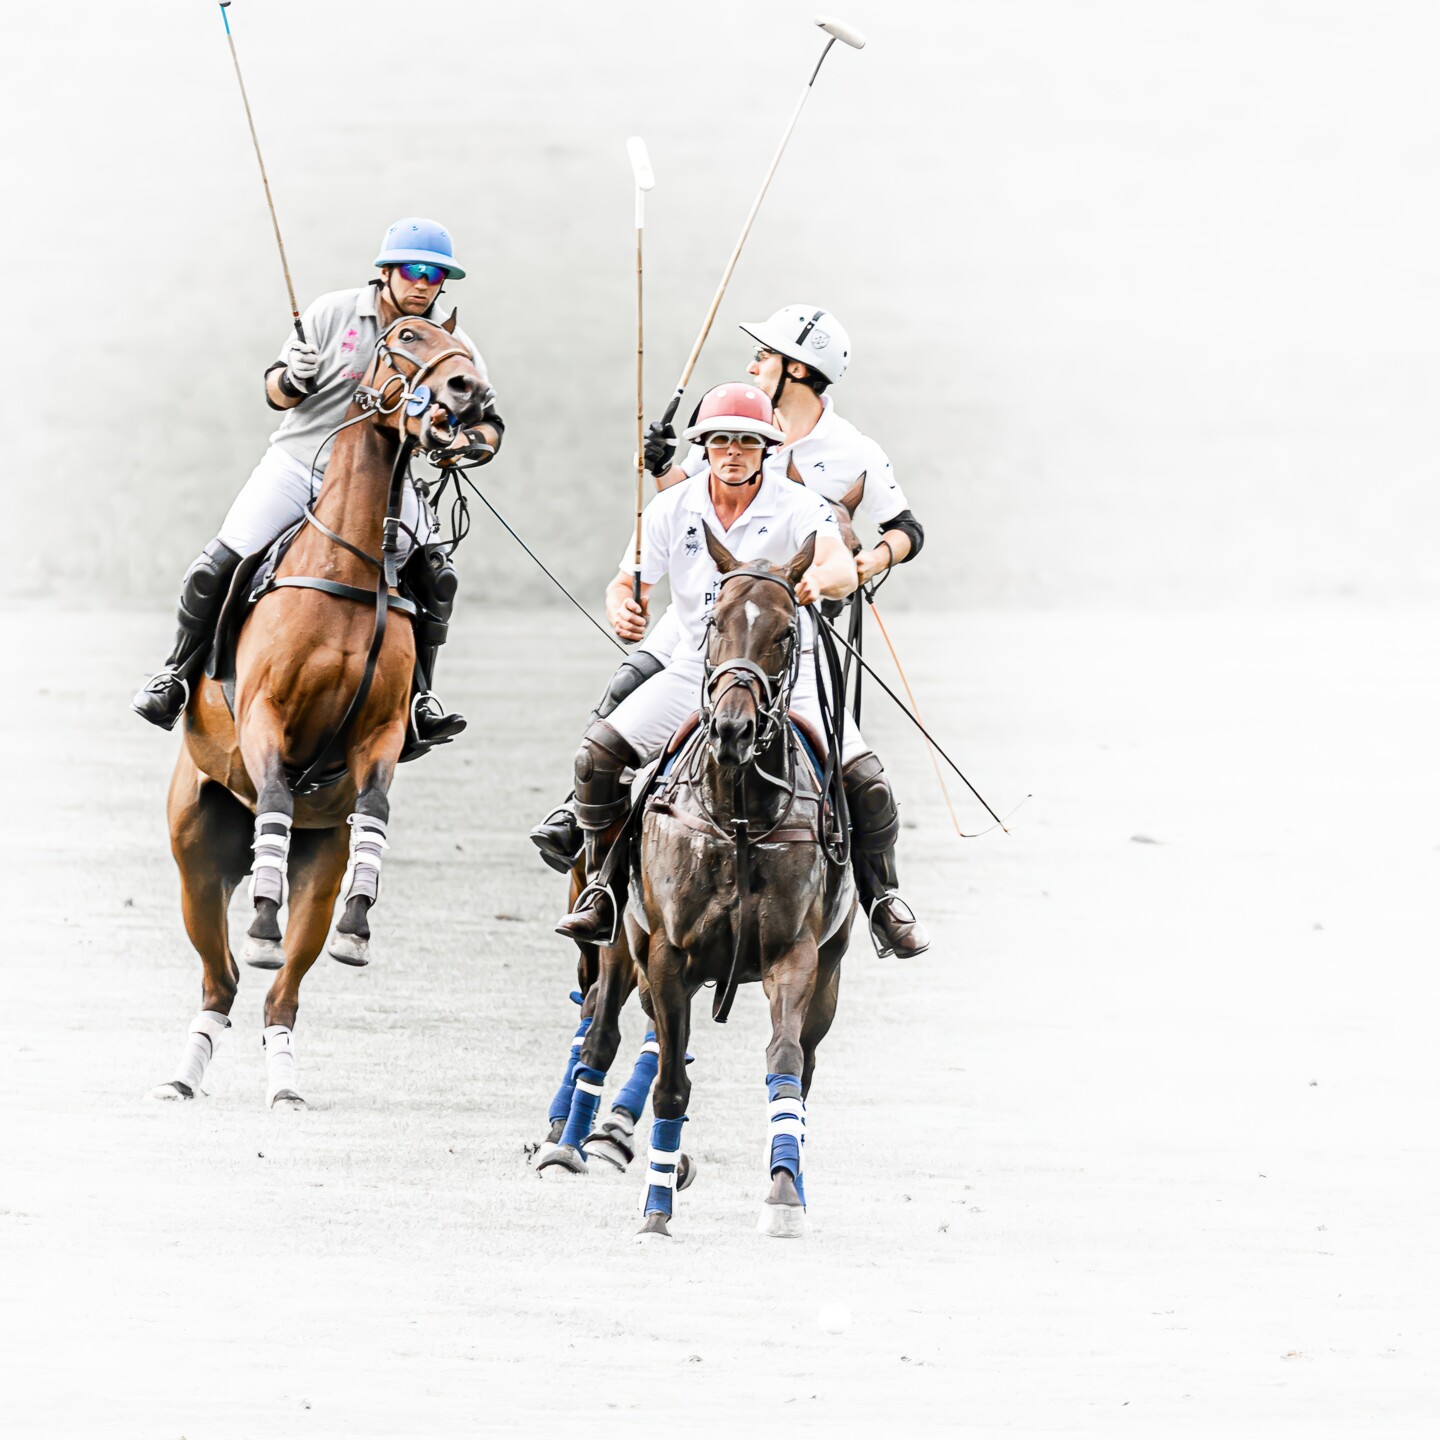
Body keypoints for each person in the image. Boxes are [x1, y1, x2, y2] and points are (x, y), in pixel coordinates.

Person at [551, 382, 929, 959]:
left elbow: (838, 565)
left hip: (786, 674)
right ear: (703, 446)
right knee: (596, 757)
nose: (733, 451)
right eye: (720, 440)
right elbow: (627, 582)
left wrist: (819, 580)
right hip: (696, 670)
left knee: (868, 782)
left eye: (747, 442)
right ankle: (603, 888)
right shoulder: (670, 508)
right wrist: (623, 605)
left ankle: (884, 901)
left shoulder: (799, 506)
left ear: (767, 448)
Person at [130, 217, 504, 742]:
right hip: (298, 466)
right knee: (218, 563)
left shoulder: (451, 341)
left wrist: (464, 445)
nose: (423, 283)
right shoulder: (333, 312)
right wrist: (293, 377)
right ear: (386, 271)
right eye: (412, 270)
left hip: (382, 488)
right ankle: (175, 675)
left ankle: (420, 697)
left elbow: (489, 423)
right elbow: (275, 393)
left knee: (437, 576)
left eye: (435, 274)